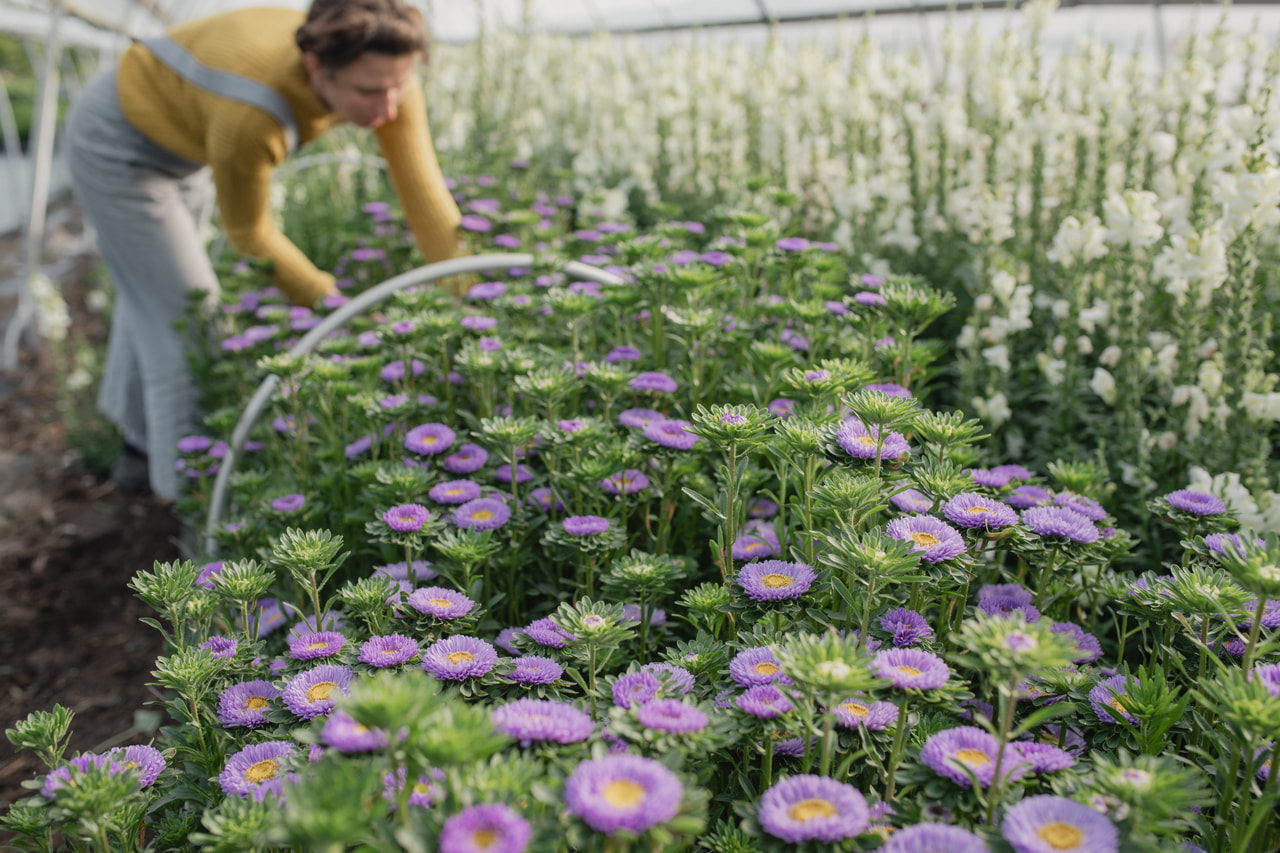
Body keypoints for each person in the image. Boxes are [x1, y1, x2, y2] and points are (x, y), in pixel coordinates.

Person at [65, 0, 462, 500]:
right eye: (369, 92)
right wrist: (341, 310)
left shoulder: (385, 73)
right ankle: (192, 511)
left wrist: (469, 296)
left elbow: (427, 202)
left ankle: (137, 450)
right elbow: (251, 235)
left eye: (398, 86)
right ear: (317, 67)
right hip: (119, 142)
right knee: (193, 322)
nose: (388, 107)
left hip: (188, 139)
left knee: (156, 295)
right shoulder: (252, 109)